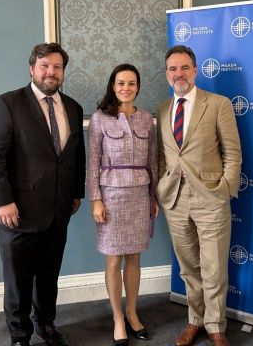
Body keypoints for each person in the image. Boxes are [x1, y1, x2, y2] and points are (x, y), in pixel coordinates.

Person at [0, 42, 85, 346]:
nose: (51, 72)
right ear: (32, 69)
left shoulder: (73, 107)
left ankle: (46, 324)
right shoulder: (8, 104)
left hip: (58, 211)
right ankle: (19, 335)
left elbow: (76, 156)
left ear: (63, 72)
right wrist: (2, 201)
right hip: (17, 213)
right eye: (45, 66)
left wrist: (76, 192)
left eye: (57, 67)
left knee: (48, 276)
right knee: (18, 282)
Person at [156, 45, 242, 346]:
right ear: (167, 74)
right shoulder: (163, 108)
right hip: (175, 201)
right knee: (189, 267)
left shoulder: (217, 104)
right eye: (172, 69)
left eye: (184, 68)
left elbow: (232, 152)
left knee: (214, 266)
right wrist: (160, 187)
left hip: (211, 199)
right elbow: (161, 155)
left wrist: (225, 189)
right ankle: (195, 320)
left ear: (195, 70)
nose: (178, 74)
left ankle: (216, 325)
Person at [86, 64, 159, 346]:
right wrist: (96, 199)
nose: (126, 88)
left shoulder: (145, 120)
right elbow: (92, 163)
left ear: (138, 87)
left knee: (135, 258)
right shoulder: (100, 119)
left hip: (140, 194)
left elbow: (152, 161)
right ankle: (117, 317)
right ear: (113, 86)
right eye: (120, 83)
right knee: (113, 258)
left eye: (131, 83)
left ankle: (132, 312)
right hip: (111, 196)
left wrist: (153, 197)